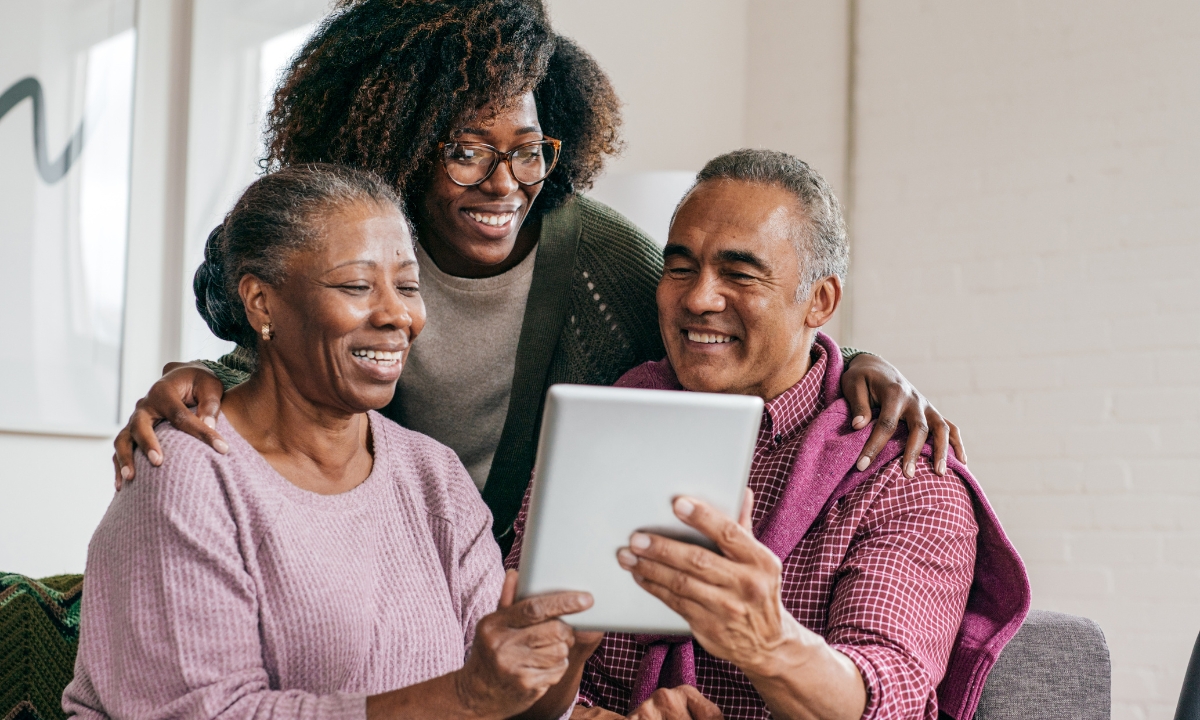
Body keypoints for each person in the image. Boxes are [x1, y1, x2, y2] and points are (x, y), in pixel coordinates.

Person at [111, 0, 963, 554]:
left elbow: (724, 334)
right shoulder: (357, 245)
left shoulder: (599, 260)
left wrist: (853, 361)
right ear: (398, 142)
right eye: (467, 151)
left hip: (513, 587)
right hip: (368, 558)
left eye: (527, 151)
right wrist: (204, 384)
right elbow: (284, 352)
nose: (504, 184)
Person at [505, 150, 1030, 720]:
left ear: (820, 301)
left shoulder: (903, 476)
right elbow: (512, 663)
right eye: (680, 267)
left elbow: (887, 693)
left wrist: (767, 639)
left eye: (740, 273)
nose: (699, 299)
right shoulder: (597, 433)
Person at [64, 165, 601, 720]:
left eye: (408, 286)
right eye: (356, 286)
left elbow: (511, 708)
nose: (398, 315)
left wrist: (563, 660)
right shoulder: (188, 477)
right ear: (262, 303)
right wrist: (464, 697)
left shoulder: (433, 476)